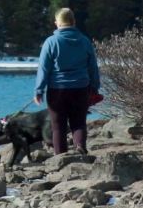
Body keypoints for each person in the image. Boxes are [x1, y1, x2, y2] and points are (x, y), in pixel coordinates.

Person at [33, 8, 100, 155]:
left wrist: (39, 90)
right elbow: (93, 67)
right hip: (81, 88)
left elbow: (44, 68)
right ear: (73, 22)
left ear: (57, 23)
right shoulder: (84, 41)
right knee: (79, 123)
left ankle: (61, 157)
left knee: (58, 127)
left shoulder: (51, 42)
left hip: (57, 90)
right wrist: (94, 87)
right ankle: (80, 148)